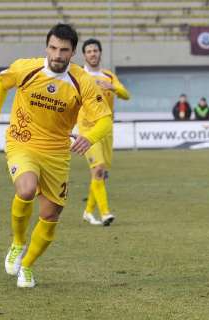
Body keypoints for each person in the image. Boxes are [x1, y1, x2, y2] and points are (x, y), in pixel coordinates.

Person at [0, 23, 112, 288]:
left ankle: (27, 266)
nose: (57, 55)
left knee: (50, 216)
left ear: (73, 52)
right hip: (22, 142)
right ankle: (18, 243)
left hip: (57, 153)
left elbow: (105, 120)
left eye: (64, 50)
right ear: (46, 48)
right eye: (53, 48)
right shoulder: (26, 68)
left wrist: (89, 137)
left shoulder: (81, 81)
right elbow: (0, 85)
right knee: (27, 189)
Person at [79, 38, 130, 227]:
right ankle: (105, 212)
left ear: (100, 53)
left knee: (99, 173)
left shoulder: (108, 76)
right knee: (98, 168)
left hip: (106, 129)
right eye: (89, 51)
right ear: (84, 55)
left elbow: (126, 95)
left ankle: (87, 212)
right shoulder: (78, 75)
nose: (92, 54)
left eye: (95, 50)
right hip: (88, 130)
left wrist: (113, 87)